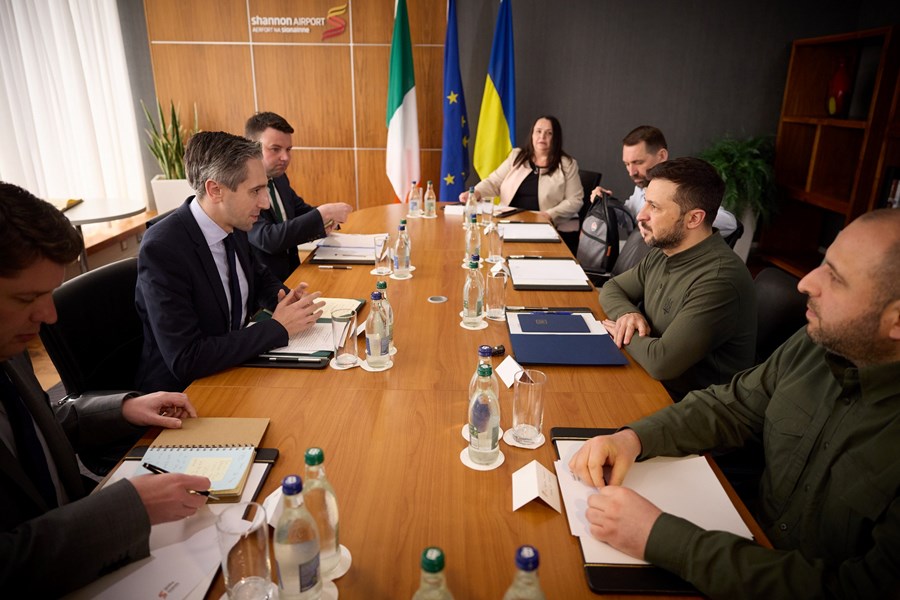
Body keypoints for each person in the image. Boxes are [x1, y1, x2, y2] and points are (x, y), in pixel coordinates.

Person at [569, 209, 900, 599]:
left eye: (837, 279)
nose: (806, 283)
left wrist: (662, 539)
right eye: (823, 263)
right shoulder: (815, 345)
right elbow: (732, 405)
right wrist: (633, 439)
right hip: (741, 536)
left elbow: (857, 589)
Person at [0, 182, 211, 596]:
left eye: (49, 293)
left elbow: (33, 425)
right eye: (28, 298)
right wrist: (128, 508)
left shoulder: (8, 344)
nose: (49, 315)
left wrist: (124, 408)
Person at [136, 131, 324, 393]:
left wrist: (283, 299)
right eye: (255, 191)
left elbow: (256, 277)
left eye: (265, 187)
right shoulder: (163, 249)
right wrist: (277, 328)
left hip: (236, 368)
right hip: (186, 393)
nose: (265, 202)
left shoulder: (234, 222)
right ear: (215, 190)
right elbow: (187, 358)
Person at [599, 157, 756, 400]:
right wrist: (627, 314)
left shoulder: (719, 280)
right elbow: (612, 287)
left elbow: (661, 362)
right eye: (646, 202)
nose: (641, 215)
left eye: (654, 207)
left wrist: (620, 331)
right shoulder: (666, 251)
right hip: (649, 381)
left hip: (689, 405)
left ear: (693, 218)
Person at [245, 112, 353, 281]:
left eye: (288, 149)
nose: (285, 157)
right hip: (264, 286)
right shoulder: (243, 188)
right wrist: (323, 215)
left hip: (294, 276)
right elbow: (268, 238)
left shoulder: (279, 178)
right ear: (252, 148)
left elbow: (300, 211)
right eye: (275, 149)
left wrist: (329, 219)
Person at [462, 115, 583, 252]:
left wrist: (550, 214)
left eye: (549, 133)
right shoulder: (517, 156)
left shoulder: (567, 164)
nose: (542, 136)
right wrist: (476, 193)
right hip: (509, 223)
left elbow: (575, 200)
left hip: (545, 227)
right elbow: (494, 182)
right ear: (532, 134)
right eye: (538, 131)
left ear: (556, 138)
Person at [594, 125, 738, 238]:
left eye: (638, 162)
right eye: (627, 164)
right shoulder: (642, 186)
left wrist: (676, 216)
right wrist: (605, 203)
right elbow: (630, 217)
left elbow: (730, 224)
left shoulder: (682, 186)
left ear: (662, 156)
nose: (631, 172)